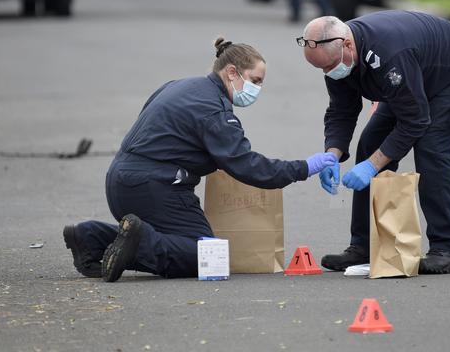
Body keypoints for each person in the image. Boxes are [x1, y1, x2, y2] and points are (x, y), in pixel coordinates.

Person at [64, 38, 337, 281]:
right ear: (232, 72)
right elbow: (247, 166)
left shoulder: (178, 86)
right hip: (155, 187)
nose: (258, 89)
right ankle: (137, 241)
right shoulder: (213, 110)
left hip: (120, 181)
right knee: (205, 256)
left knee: (178, 243)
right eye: (255, 80)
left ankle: (91, 237)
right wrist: (305, 167)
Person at [296, 11, 450, 274]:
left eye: (329, 66)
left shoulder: (389, 54)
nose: (328, 72)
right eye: (321, 69)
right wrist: (332, 154)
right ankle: (364, 245)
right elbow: (342, 110)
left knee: (431, 148)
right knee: (371, 143)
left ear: (347, 44)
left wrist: (371, 166)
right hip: (415, 76)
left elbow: (414, 121)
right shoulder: (337, 56)